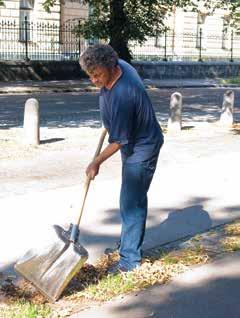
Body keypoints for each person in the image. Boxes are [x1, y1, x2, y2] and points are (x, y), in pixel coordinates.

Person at [79, 44, 164, 274]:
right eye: (90, 76)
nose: (94, 81)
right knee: (131, 198)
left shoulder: (122, 94)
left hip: (142, 147)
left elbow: (118, 141)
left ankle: (129, 261)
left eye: (97, 75)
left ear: (111, 67)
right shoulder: (121, 66)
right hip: (134, 140)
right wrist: (110, 120)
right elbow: (117, 124)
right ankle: (129, 242)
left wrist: (95, 162)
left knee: (131, 202)